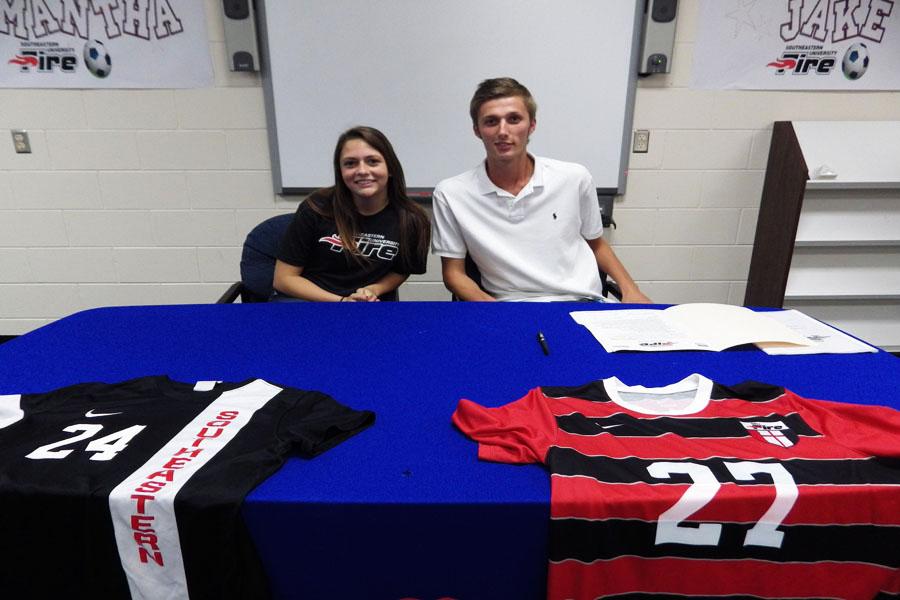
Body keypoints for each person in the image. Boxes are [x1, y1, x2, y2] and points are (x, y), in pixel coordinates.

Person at [431, 77, 651, 303]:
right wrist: (495, 311)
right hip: (509, 305)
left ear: (532, 125)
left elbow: (596, 244)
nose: (503, 131)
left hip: (581, 301)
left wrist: (630, 289)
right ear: (477, 130)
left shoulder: (574, 178)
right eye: (491, 122)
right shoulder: (451, 194)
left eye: (514, 119)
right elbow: (453, 273)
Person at [274, 126, 430, 302]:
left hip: (367, 305)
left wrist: (375, 288)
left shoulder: (412, 219)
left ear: (390, 168)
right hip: (311, 303)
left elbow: (401, 270)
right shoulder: (316, 207)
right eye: (350, 163)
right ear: (340, 172)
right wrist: (342, 302)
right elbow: (283, 279)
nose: (362, 171)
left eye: (372, 161)